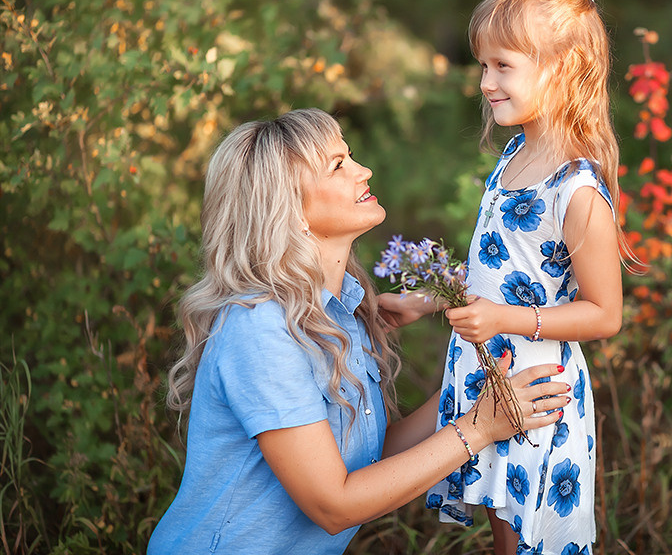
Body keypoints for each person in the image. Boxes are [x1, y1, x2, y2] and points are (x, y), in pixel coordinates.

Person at [146, 109, 571, 555]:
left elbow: (370, 460)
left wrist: (478, 390)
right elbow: (334, 504)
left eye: (350, 156)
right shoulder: (260, 328)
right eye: (337, 165)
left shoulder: (341, 314)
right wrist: (478, 429)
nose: (363, 170)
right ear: (287, 209)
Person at [389, 0, 626, 554]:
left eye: (503, 67)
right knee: (504, 534)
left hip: (537, 390)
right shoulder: (517, 152)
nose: (486, 82)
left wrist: (503, 321)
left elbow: (604, 314)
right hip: (492, 377)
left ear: (562, 70)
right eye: (483, 65)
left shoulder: (576, 191)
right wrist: (428, 300)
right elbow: (499, 274)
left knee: (526, 543)